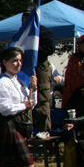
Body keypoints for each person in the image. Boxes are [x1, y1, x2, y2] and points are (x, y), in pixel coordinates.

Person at [22, 8, 56, 137]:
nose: (26, 21)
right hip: (24, 67)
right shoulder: (21, 33)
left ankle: (43, 130)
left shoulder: (44, 32)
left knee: (42, 97)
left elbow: (50, 48)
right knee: (25, 96)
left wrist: (33, 51)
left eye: (29, 18)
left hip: (40, 66)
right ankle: (26, 129)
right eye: (24, 19)